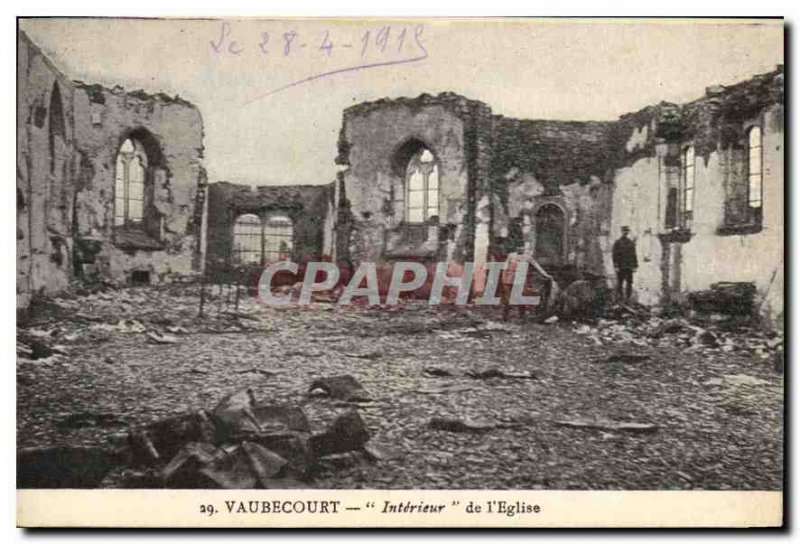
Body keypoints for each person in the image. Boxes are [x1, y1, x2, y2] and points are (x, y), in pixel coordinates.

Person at [612, 225, 638, 302]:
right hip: (620, 266)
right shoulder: (617, 242)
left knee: (629, 283)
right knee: (620, 282)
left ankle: (628, 298)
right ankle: (620, 298)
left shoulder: (630, 243)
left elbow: (634, 255)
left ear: (628, 232)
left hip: (629, 266)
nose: (625, 232)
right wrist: (616, 266)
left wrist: (635, 265)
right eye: (624, 231)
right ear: (621, 232)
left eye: (626, 231)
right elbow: (614, 255)